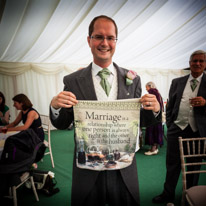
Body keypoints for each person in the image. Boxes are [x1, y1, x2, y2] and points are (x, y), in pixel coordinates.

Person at [50, 15, 161, 206]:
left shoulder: (133, 79)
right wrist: (55, 106)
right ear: (89, 40)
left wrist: (156, 109)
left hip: (123, 168)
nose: (104, 43)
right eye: (98, 37)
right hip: (88, 169)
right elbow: (62, 123)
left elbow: (140, 120)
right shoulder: (73, 80)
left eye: (110, 37)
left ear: (116, 41)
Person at [152, 50, 206, 204]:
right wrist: (170, 124)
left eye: (201, 61)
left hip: (198, 132)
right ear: (189, 63)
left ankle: (189, 195)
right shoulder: (177, 82)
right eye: (194, 61)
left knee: (194, 166)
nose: (197, 63)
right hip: (177, 130)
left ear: (205, 64)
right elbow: (169, 106)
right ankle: (167, 194)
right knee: (172, 164)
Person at [144, 82, 164, 155]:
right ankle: (155, 148)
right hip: (157, 116)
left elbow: (149, 104)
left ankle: (153, 150)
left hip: (153, 116)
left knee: (153, 131)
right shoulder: (157, 92)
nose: (146, 89)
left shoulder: (152, 92)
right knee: (156, 131)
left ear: (149, 86)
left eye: (146, 87)